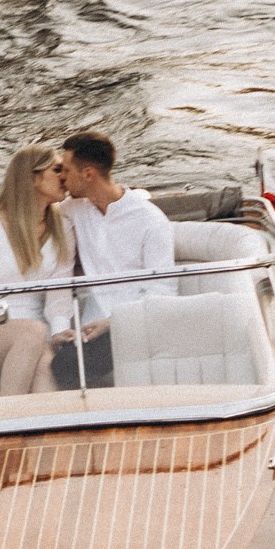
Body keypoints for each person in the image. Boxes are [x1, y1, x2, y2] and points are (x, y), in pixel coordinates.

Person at [0, 143, 77, 394]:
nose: (64, 177)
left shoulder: (64, 227)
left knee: (46, 361)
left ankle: (46, 429)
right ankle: (6, 417)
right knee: (33, 332)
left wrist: (61, 333)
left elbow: (58, 296)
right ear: (33, 178)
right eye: (57, 169)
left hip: (35, 330)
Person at [51, 130, 172, 386]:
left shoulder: (151, 221)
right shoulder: (74, 209)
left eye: (66, 171)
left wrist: (112, 323)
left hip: (136, 324)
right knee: (59, 362)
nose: (62, 178)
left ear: (89, 174)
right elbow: (26, 210)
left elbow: (163, 292)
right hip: (88, 331)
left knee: (65, 366)